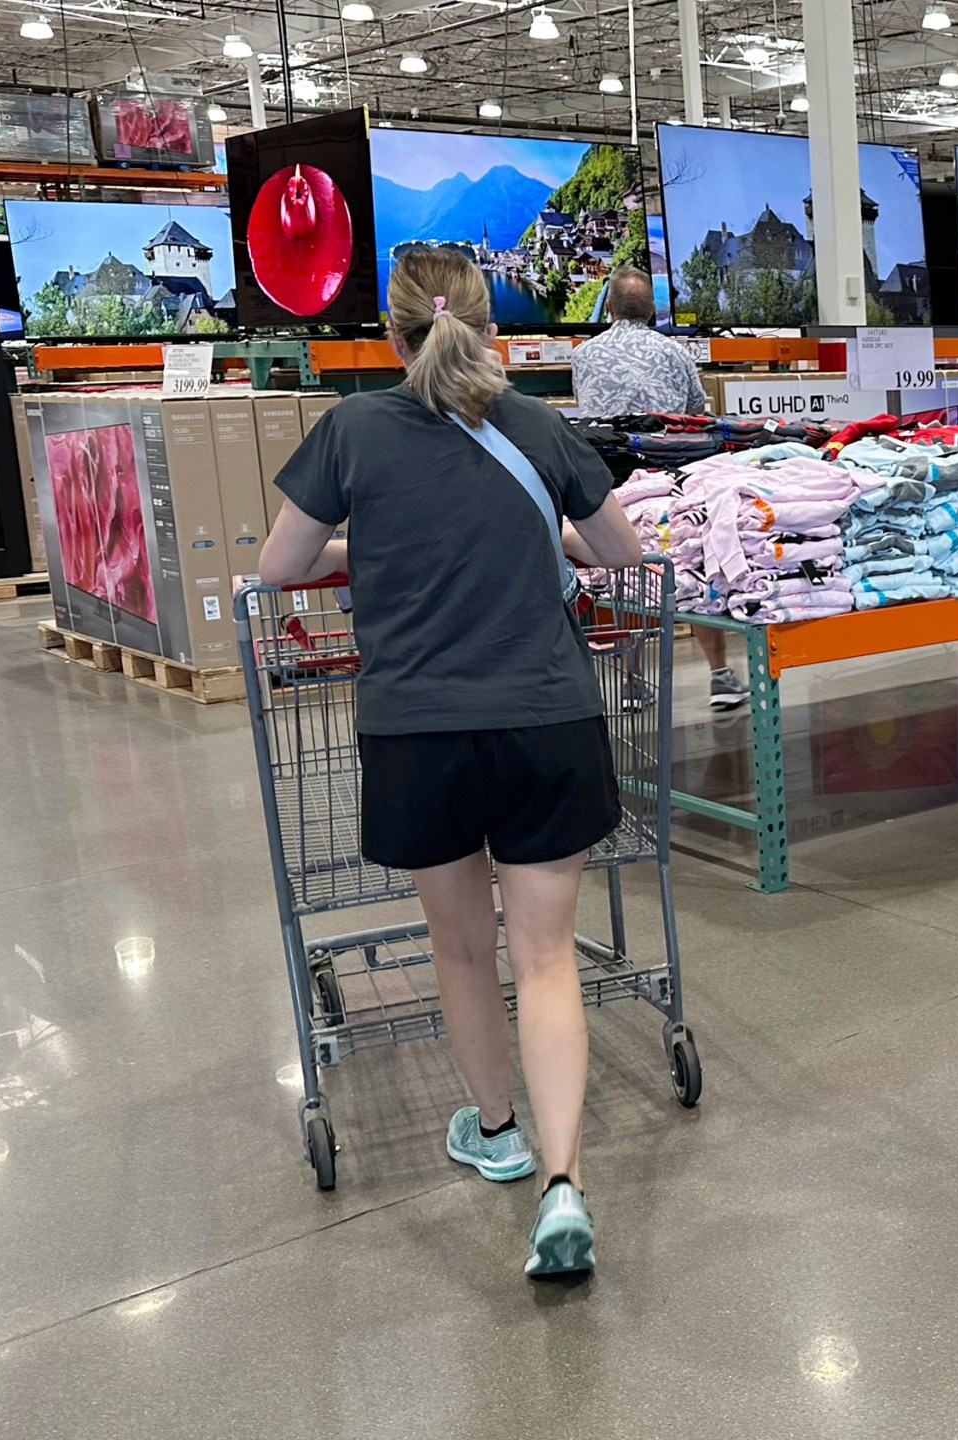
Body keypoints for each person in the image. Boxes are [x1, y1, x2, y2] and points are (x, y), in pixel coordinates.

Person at [258, 245, 645, 1281]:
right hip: (544, 722)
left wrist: (360, 550)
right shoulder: (541, 428)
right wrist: (543, 537)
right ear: (493, 329)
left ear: (388, 334)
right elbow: (624, 557)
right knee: (547, 957)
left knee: (464, 952)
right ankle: (565, 1185)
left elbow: (279, 568)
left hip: (416, 731)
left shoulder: (347, 432)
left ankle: (498, 1129)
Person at [570, 266, 749, 710]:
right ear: (653, 312)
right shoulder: (675, 353)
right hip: (667, 477)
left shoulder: (583, 355)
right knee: (693, 561)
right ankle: (721, 677)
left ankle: (631, 682)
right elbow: (695, 414)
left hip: (610, 478)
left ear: (607, 308)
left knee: (625, 572)